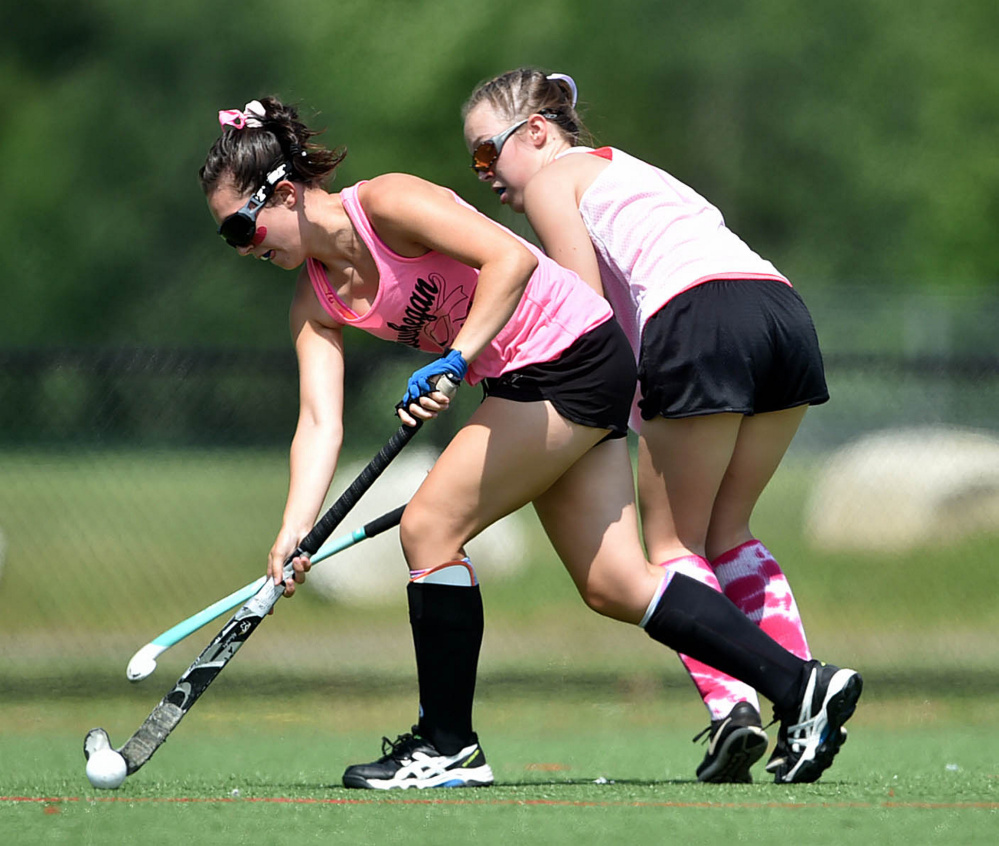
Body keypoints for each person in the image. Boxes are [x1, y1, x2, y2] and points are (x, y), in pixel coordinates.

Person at [199, 96, 861, 790]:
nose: (245, 247)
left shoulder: (387, 203)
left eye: (242, 227)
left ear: (285, 190)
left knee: (428, 529)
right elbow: (318, 421)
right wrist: (293, 530)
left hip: (565, 357)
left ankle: (446, 745)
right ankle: (801, 685)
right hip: (538, 375)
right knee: (615, 584)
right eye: (230, 238)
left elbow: (509, 259)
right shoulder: (314, 303)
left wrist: (455, 359)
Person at [462, 68, 839, 783]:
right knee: (729, 533)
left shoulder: (551, 180)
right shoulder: (633, 170)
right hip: (781, 313)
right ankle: (808, 705)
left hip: (697, 318)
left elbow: (584, 310)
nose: (483, 174)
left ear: (536, 132)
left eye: (487, 154)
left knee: (669, 547)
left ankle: (739, 708)